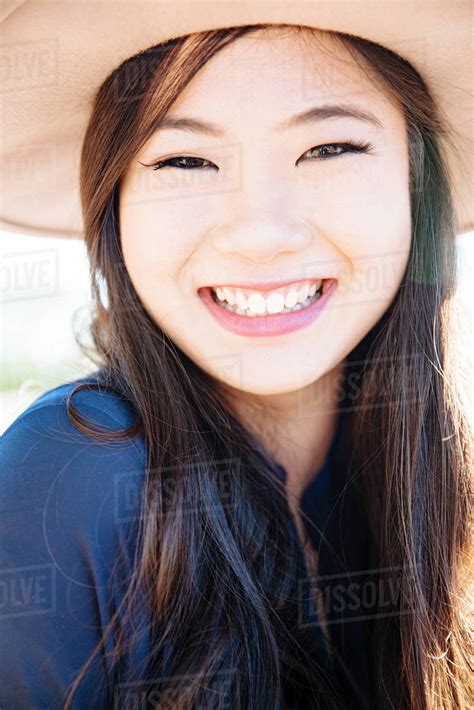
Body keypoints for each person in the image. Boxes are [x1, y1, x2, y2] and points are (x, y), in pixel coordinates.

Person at [1, 11, 472, 710]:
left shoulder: (426, 473)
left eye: (330, 148)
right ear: (115, 208)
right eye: (184, 161)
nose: (261, 235)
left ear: (415, 182)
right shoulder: (73, 472)